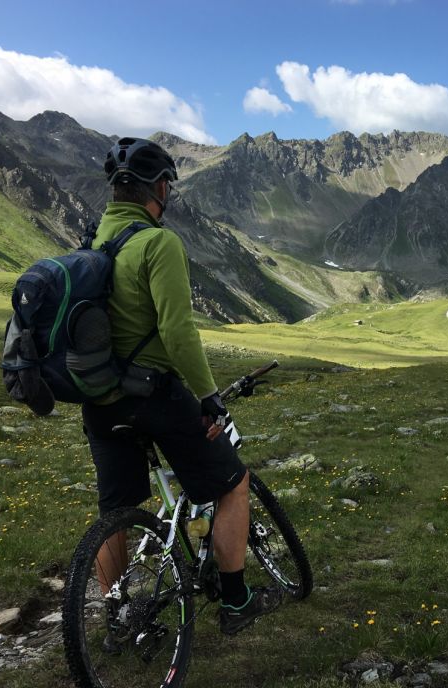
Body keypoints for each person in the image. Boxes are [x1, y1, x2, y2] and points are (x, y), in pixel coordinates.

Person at [83, 137, 278, 638]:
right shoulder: (158, 243)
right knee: (233, 484)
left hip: (99, 401)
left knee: (117, 511)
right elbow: (177, 331)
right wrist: (209, 396)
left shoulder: (93, 243)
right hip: (152, 395)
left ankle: (118, 620)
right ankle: (236, 602)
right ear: (160, 188)